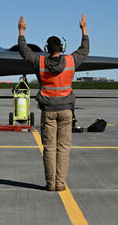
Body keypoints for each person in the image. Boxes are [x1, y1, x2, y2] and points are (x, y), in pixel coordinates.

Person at [17, 15, 89, 191]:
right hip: (66, 111)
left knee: (49, 148)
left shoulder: (40, 62)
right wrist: (84, 29)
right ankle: (60, 183)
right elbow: (84, 49)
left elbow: (24, 51)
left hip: (48, 111)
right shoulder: (71, 61)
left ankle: (50, 183)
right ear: (62, 48)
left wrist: (21, 31)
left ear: (47, 49)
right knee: (63, 148)